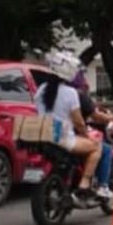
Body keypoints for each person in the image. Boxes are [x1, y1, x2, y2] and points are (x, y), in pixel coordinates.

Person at [36, 52, 103, 201]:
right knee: (96, 147)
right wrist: (86, 135)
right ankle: (84, 184)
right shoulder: (70, 93)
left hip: (45, 136)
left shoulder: (41, 90)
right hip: (63, 138)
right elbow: (79, 122)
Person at [71, 71, 113, 201]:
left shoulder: (45, 92)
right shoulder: (76, 95)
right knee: (105, 149)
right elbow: (87, 119)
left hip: (52, 136)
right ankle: (101, 186)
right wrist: (112, 117)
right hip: (70, 137)